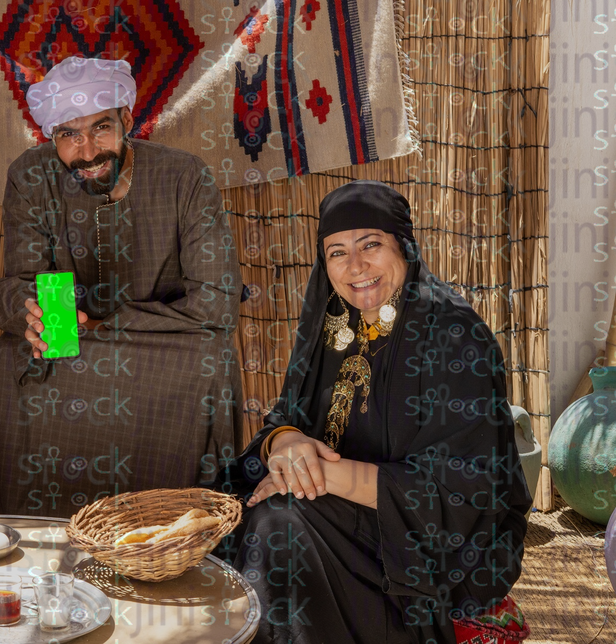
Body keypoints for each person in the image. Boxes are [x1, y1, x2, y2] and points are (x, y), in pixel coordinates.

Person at [224, 181, 531, 643]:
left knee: (277, 527)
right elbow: (284, 418)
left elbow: (461, 493)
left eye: (371, 245)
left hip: (427, 548)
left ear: (403, 246)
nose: (356, 266)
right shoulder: (332, 325)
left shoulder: (453, 336)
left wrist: (318, 475)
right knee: (241, 512)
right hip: (336, 514)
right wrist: (286, 443)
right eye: (337, 252)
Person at [0, 56, 244, 517]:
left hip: (161, 347)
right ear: (51, 137)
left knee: (209, 359)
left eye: (101, 128)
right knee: (10, 359)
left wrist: (104, 325)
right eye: (69, 135)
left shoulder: (185, 176)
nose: (88, 151)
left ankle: (169, 525)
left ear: (127, 120)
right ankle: (33, 528)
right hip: (71, 345)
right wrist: (30, 315)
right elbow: (22, 281)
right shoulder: (30, 176)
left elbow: (217, 303)